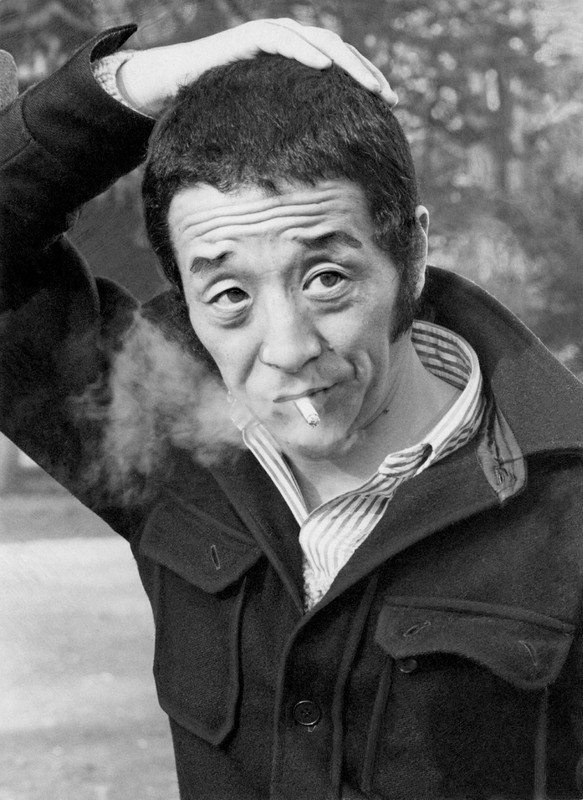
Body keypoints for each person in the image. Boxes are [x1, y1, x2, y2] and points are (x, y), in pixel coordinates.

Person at [1, 17, 583, 800]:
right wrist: (125, 88)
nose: (287, 348)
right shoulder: (162, 433)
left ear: (410, 255)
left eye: (326, 279)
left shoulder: (565, 508)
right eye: (228, 294)